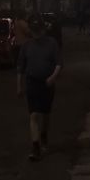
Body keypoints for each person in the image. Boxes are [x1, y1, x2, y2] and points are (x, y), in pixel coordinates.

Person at [16, 14, 61, 163]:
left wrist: (52, 77)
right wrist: (19, 86)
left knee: (46, 114)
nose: (36, 34)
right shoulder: (27, 46)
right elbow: (20, 68)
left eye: (38, 30)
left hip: (47, 84)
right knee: (34, 115)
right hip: (32, 83)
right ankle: (35, 146)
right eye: (34, 31)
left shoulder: (51, 43)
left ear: (43, 30)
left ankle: (44, 134)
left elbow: (58, 63)